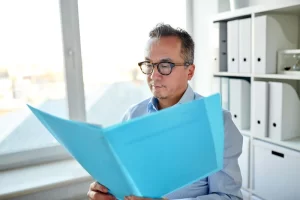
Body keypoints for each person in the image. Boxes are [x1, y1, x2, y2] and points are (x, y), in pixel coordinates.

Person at [87, 23, 243, 200]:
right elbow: (121, 180)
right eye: (149, 65)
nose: (154, 75)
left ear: (190, 71)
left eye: (165, 65)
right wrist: (105, 192)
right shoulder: (132, 116)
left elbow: (230, 197)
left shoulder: (218, 122)